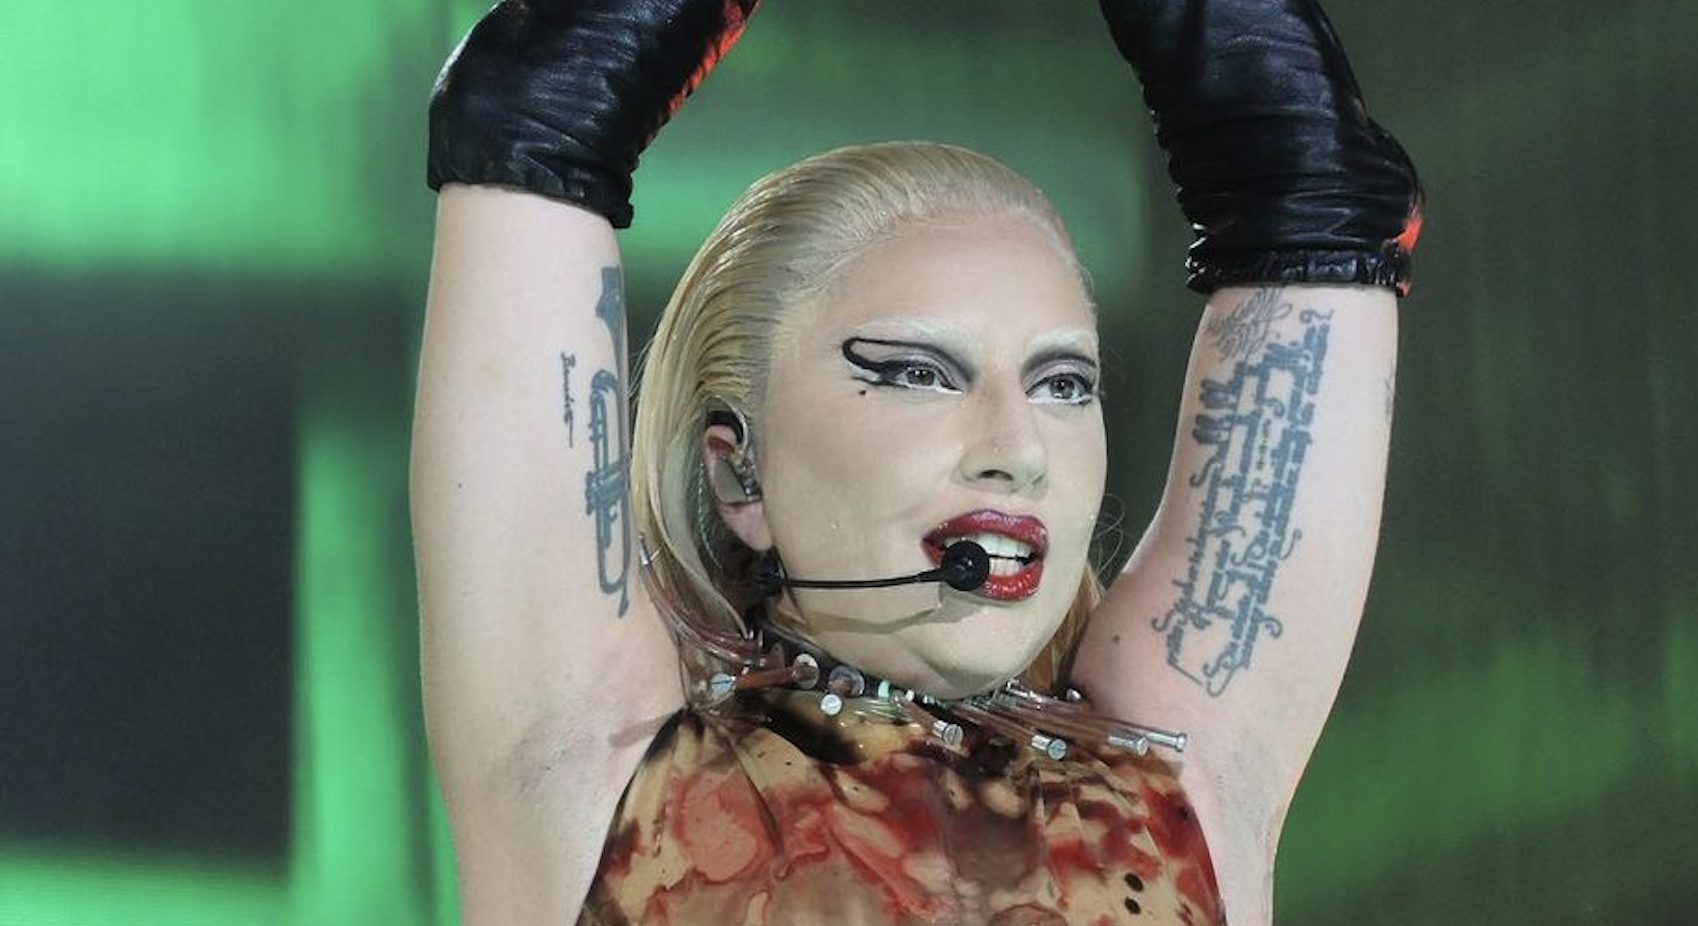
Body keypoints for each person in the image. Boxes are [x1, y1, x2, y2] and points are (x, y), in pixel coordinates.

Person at [412, 1, 1422, 924]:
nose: (1018, 451)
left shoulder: (1172, 791)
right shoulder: (598, 759)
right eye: (918, 374)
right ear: (739, 475)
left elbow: (1319, 206)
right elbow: (532, 117)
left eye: (1064, 384)